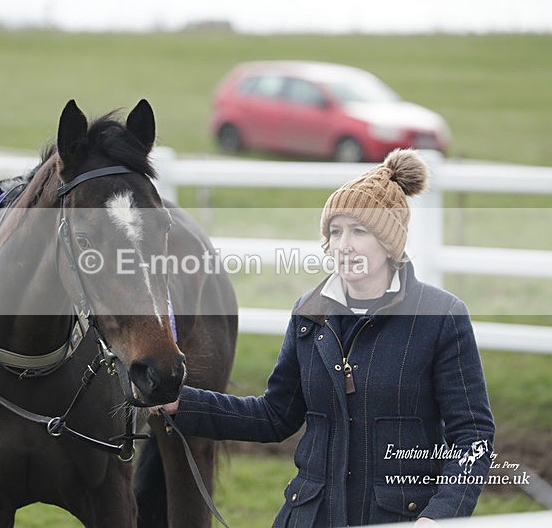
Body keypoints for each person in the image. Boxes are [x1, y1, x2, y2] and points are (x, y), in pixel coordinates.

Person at [151, 149, 495, 527]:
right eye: (335, 231)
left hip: (398, 520)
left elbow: (473, 435)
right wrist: (182, 402)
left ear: (388, 242)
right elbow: (274, 416)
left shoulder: (441, 316)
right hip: (308, 517)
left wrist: (441, 515)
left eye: (359, 231)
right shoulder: (309, 313)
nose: (343, 245)